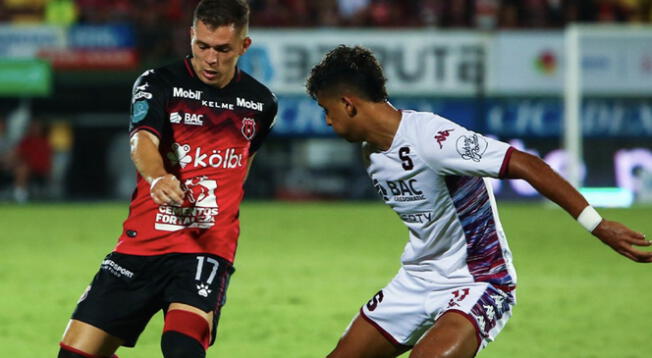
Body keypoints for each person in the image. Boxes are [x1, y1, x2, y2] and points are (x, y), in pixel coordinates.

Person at [305, 45, 652, 358]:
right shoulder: (373, 156)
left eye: (327, 109)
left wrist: (599, 225)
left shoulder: (432, 139)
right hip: (416, 279)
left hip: (480, 282)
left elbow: (529, 165)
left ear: (348, 103)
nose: (327, 120)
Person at [58, 1, 277, 357]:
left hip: (204, 250)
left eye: (222, 49)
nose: (210, 58)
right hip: (141, 244)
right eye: (202, 46)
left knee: (181, 349)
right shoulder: (159, 83)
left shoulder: (260, 103)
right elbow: (142, 140)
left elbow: (241, 172)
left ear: (243, 46)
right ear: (191, 36)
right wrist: (158, 176)